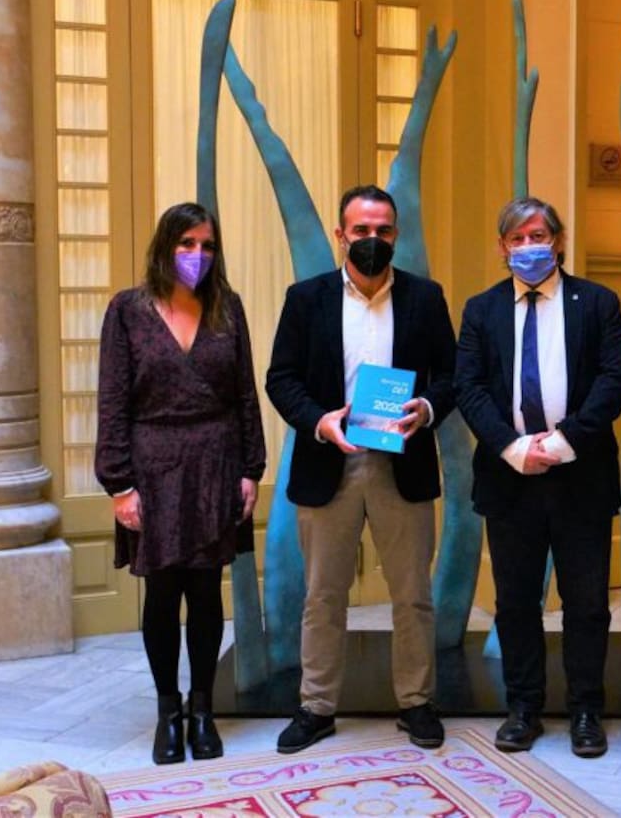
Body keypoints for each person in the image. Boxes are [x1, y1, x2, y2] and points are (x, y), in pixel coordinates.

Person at [266, 184, 456, 754]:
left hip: (403, 464)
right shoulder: (307, 299)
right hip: (331, 463)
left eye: (383, 230)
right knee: (323, 596)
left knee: (413, 595)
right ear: (340, 235)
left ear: (396, 234)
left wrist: (426, 409)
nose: (373, 239)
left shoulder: (425, 297)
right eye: (361, 230)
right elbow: (281, 379)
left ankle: (416, 702)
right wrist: (318, 421)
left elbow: (451, 376)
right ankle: (316, 706)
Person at [455, 196, 621, 758]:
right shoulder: (481, 310)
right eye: (518, 239)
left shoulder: (597, 303)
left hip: (581, 475)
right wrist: (512, 447)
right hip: (509, 479)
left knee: (587, 604)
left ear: (559, 241)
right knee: (516, 603)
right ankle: (523, 708)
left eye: (539, 236)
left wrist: (560, 443)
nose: (529, 247)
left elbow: (613, 381)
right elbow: (468, 388)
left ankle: (586, 711)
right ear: (502, 247)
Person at [96, 201, 266, 765]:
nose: (197, 254)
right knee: (164, 592)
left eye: (207, 245)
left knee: (206, 590)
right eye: (187, 243)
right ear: (165, 246)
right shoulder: (127, 310)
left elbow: (245, 396)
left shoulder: (227, 308)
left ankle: (203, 709)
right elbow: (112, 402)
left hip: (216, 465)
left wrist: (250, 470)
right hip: (152, 469)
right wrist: (120, 485)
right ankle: (168, 711)